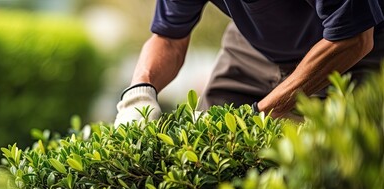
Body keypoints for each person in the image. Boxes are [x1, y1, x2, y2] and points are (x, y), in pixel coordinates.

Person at [114, 0, 384, 126]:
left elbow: (354, 39)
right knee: (206, 142)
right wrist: (139, 92)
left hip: (351, 49)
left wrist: (261, 113)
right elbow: (169, 38)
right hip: (253, 44)